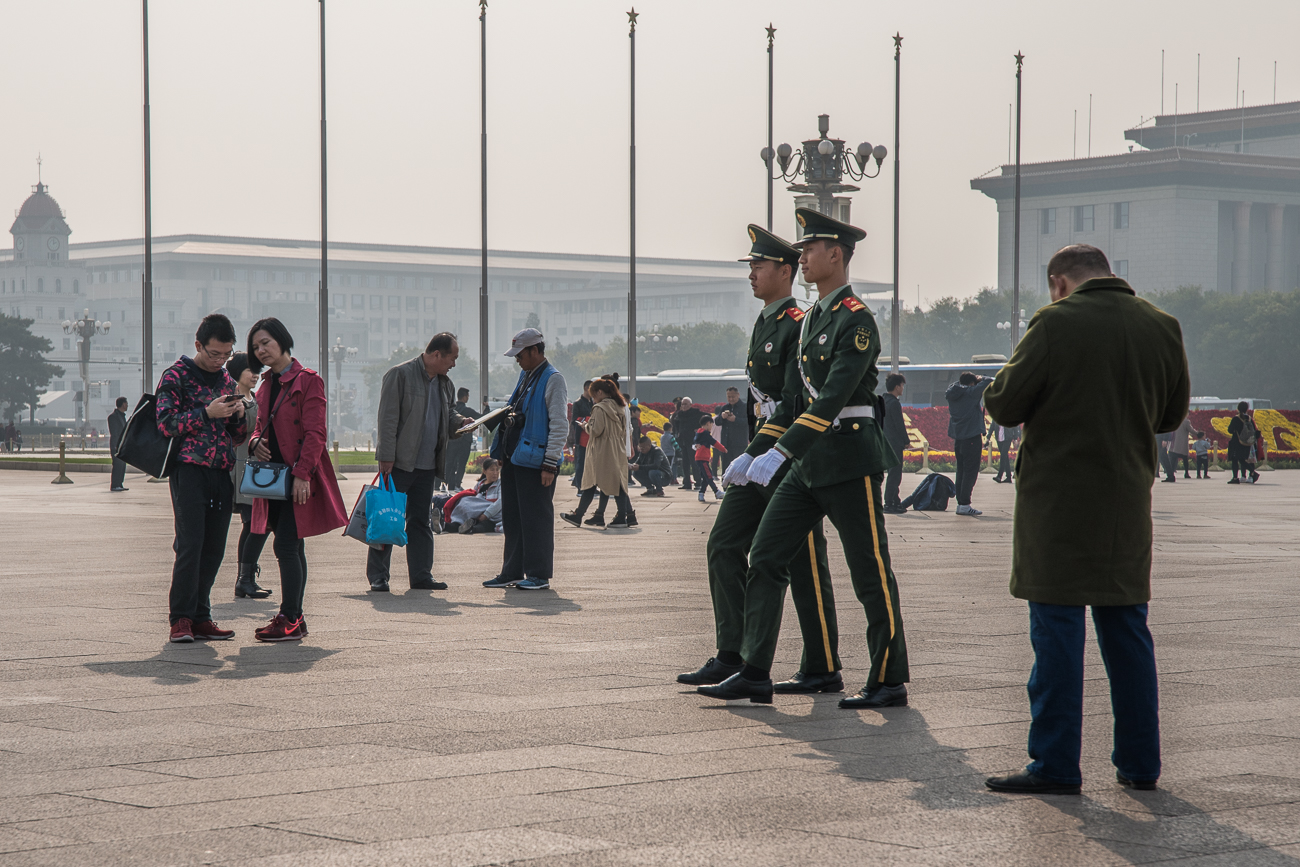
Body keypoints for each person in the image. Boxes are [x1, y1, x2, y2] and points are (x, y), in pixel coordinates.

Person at [983, 243, 1189, 796]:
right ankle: (1140, 764)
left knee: (1056, 635)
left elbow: (1004, 404)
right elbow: (1170, 415)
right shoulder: (1161, 324)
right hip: (1125, 502)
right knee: (1127, 632)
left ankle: (1054, 764)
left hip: (1058, 507)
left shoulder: (1055, 322)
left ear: (1059, 282)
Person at [701, 208, 909, 708]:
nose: (804, 257)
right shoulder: (813, 316)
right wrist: (768, 452)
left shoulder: (856, 319)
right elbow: (794, 399)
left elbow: (833, 396)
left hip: (848, 458)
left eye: (810, 249)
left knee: (869, 571)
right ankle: (754, 670)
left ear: (835, 255)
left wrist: (781, 449)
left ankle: (888, 677)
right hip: (806, 464)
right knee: (768, 557)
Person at [683, 223, 839, 694]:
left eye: (759, 265)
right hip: (758, 455)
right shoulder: (767, 321)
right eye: (750, 265)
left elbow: (794, 403)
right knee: (724, 544)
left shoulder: (798, 323)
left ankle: (823, 665)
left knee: (805, 563)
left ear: (786, 271)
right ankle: (731, 653)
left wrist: (760, 452)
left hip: (789, 456)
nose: (751, 273)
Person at [246, 318, 348, 641]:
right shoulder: (264, 384)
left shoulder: (307, 381)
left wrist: (303, 475)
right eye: (256, 346)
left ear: (282, 341)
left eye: (266, 343)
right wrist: (253, 443)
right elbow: (259, 426)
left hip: (296, 477)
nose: (261, 350)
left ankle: (288, 617)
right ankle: (296, 618)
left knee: (286, 544)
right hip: (270, 479)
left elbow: (316, 433)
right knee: (293, 545)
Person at [155, 313, 248, 644]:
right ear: (198, 345)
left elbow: (236, 436)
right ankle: (180, 618)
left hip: (221, 471)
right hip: (189, 470)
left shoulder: (226, 381)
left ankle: (201, 616)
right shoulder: (176, 376)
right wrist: (206, 413)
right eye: (214, 354)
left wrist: (237, 416)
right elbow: (165, 423)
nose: (221, 360)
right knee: (190, 545)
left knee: (214, 548)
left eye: (227, 354)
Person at [369, 333, 471, 592]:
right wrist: (386, 456)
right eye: (452, 357)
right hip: (400, 462)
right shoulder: (399, 375)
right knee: (388, 519)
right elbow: (387, 418)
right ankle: (379, 576)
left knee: (420, 521)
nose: (454, 364)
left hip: (427, 465)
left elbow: (448, 413)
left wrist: (460, 422)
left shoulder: (445, 383)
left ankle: (421, 575)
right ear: (437, 354)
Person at [482, 328, 569, 590]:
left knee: (536, 520)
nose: (517, 360)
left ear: (535, 350)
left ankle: (538, 574)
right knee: (513, 518)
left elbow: (559, 424)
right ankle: (511, 571)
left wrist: (550, 464)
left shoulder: (553, 379)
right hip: (516, 458)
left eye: (520, 354)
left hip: (537, 463)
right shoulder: (526, 375)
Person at [560, 377, 636, 529]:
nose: (593, 399)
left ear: (600, 392)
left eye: (594, 395)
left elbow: (596, 430)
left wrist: (585, 426)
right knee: (617, 482)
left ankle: (579, 515)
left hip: (602, 450)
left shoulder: (600, 408)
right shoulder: (620, 406)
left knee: (591, 482)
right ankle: (619, 516)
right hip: (617, 448)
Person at [226, 352, 272, 599]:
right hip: (242, 470)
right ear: (236, 373)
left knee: (255, 525)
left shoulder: (254, 397)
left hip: (256, 470)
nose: (255, 375)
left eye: (257, 370)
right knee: (256, 525)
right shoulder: (234, 400)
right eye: (249, 370)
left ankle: (245, 580)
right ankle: (244, 579)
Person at [946, 371, 994, 516]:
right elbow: (990, 380)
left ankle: (961, 503)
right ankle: (965, 504)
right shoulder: (971, 393)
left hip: (959, 439)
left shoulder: (952, 393)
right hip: (972, 438)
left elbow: (955, 386)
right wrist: (980, 378)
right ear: (972, 384)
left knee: (961, 471)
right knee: (970, 472)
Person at [449, 458, 503, 534]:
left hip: (492, 516)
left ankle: (470, 529)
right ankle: (444, 526)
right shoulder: (479, 485)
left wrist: (486, 515)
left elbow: (500, 502)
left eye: (497, 470)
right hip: (476, 514)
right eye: (492, 470)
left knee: (484, 525)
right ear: (484, 471)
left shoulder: (500, 484)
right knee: (463, 501)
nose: (495, 473)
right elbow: (474, 501)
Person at [445, 387, 482, 490]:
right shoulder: (468, 411)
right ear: (465, 397)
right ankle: (457, 484)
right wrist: (487, 409)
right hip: (464, 441)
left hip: (452, 440)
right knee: (461, 464)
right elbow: (481, 417)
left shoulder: (452, 410)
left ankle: (448, 484)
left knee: (450, 463)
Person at [881, 374, 908, 512]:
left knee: (892, 473)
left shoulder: (882, 401)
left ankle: (895, 501)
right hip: (895, 443)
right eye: (902, 385)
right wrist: (906, 441)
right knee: (895, 474)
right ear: (897, 387)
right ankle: (889, 502)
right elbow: (900, 425)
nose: (903, 388)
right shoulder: (894, 403)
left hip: (885, 442)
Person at [671, 397, 705, 490]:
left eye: (686, 404)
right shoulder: (679, 414)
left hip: (693, 441)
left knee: (694, 462)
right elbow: (675, 424)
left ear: (690, 405)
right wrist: (678, 432)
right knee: (685, 463)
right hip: (683, 441)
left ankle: (698, 482)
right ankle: (687, 483)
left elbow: (707, 417)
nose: (684, 406)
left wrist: (699, 429)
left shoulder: (696, 413)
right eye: (682, 404)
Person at [568, 381, 594, 490]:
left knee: (591, 464)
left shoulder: (593, 403)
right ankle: (580, 486)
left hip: (592, 437)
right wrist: (587, 421)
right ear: (585, 388)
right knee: (581, 462)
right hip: (581, 437)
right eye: (591, 389)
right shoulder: (577, 403)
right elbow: (575, 420)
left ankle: (591, 487)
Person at [1226, 402, 1261, 484]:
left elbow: (1230, 430)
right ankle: (1252, 472)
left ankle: (1235, 478)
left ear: (1238, 408)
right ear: (1246, 409)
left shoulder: (1236, 418)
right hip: (1246, 443)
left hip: (1236, 442)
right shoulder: (1249, 418)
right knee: (1242, 460)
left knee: (1235, 460)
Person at [692, 417, 725, 502]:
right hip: (702, 457)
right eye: (711, 424)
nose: (711, 427)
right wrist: (723, 449)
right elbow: (714, 442)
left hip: (700, 457)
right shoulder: (705, 434)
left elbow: (694, 442)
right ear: (708, 423)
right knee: (709, 475)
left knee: (705, 477)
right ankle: (717, 492)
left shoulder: (699, 432)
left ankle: (701, 493)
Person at [716, 387, 748, 472]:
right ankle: (726, 485)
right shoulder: (724, 407)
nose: (731, 399)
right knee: (726, 468)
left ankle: (738, 485)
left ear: (738, 395)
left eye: (733, 397)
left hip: (739, 443)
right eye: (729, 397)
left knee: (739, 468)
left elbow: (749, 422)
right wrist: (722, 417)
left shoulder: (745, 407)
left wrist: (736, 419)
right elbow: (717, 422)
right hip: (726, 443)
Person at [108, 396, 129, 492]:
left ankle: (119, 483)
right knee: (117, 465)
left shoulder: (122, 416)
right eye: (126, 403)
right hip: (116, 446)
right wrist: (117, 446)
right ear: (122, 404)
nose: (127, 405)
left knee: (122, 465)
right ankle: (115, 484)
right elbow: (115, 433)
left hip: (122, 446)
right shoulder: (113, 417)